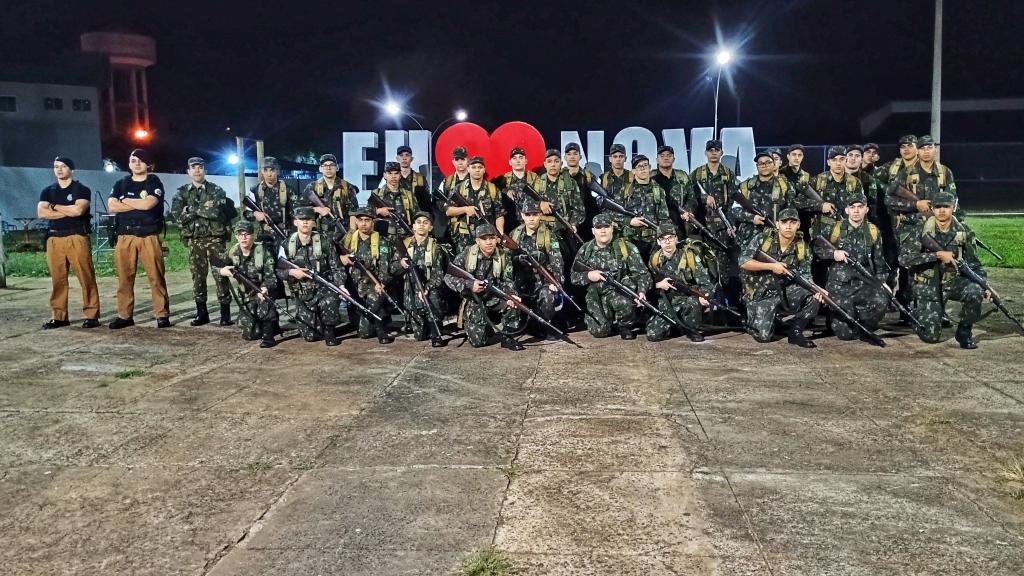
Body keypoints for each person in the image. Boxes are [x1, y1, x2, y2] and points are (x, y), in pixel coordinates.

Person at [899, 191, 989, 349]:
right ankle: (917, 312)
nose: (941, 210)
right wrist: (937, 255)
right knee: (930, 337)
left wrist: (984, 284)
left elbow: (973, 264)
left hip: (952, 282)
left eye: (946, 207)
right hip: (927, 284)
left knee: (975, 291)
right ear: (932, 209)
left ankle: (964, 331)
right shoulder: (920, 229)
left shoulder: (964, 232)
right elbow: (904, 259)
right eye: (938, 207)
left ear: (953, 208)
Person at [739, 208, 822, 348]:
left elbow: (806, 275)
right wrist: (771, 267)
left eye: (792, 222)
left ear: (798, 225)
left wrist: (816, 288)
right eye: (784, 222)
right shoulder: (762, 239)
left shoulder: (802, 247)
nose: (788, 226)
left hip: (784, 292)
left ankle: (795, 332)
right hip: (760, 295)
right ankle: (769, 320)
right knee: (763, 337)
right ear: (777, 225)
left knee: (814, 296)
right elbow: (743, 262)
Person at [107, 148, 170, 329]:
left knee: (156, 276)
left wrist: (125, 201)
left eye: (140, 160)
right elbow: (111, 206)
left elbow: (149, 203)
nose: (136, 163)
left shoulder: (154, 181)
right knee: (124, 277)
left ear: (148, 164)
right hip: (125, 236)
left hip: (148, 235)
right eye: (133, 160)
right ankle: (125, 315)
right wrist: (137, 204)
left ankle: (162, 314)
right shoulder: (121, 183)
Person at [812, 195, 888, 341]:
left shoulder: (873, 231)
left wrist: (882, 283)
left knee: (882, 299)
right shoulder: (836, 228)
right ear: (846, 210)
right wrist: (833, 253)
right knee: (845, 335)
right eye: (852, 207)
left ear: (866, 209)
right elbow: (816, 249)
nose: (856, 211)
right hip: (840, 287)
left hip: (864, 285)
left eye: (860, 207)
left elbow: (879, 261)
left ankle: (864, 323)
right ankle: (843, 320)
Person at [36, 156, 100, 329]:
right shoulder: (47, 191)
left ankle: (92, 314)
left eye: (63, 166)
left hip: (76, 236)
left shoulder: (81, 189)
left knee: (85, 276)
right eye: (56, 166)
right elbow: (42, 213)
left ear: (71, 169)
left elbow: (79, 210)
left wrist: (55, 207)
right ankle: (59, 316)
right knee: (58, 280)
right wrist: (68, 210)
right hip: (54, 238)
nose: (59, 169)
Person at [171, 156, 233, 327]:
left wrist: (190, 209)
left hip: (215, 239)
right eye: (193, 168)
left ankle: (225, 314)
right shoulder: (182, 192)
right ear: (188, 171)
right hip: (194, 240)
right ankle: (202, 313)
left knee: (221, 275)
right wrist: (203, 208)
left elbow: (216, 212)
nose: (197, 170)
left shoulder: (216, 190)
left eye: (200, 167)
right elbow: (176, 217)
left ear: (205, 170)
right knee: (198, 276)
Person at [570, 212, 651, 339]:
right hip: (596, 296)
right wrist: (589, 276)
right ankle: (605, 322)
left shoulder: (625, 247)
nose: (603, 231)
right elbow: (573, 277)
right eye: (599, 227)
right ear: (593, 231)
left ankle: (624, 326)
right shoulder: (586, 250)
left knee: (625, 302)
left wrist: (642, 291)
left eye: (606, 227)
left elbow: (643, 274)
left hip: (619, 292)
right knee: (600, 331)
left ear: (612, 228)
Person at [444, 223, 524, 350]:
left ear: (497, 239)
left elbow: (508, 279)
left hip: (495, 296)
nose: (488, 242)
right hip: (475, 299)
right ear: (477, 241)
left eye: (492, 238)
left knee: (513, 303)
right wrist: (470, 285)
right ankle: (484, 327)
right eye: (484, 239)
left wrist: (511, 295)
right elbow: (448, 277)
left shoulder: (503, 256)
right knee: (477, 342)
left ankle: (508, 337)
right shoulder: (467, 254)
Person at [279, 206, 347, 346]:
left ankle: (329, 329)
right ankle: (317, 323)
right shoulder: (286, 245)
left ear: (314, 222)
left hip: (323, 289)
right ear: (295, 222)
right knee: (310, 337)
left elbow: (337, 267)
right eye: (301, 219)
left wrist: (341, 286)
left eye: (308, 219)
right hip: (302, 292)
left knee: (331, 300)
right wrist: (292, 272)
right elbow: (277, 270)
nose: (305, 222)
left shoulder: (324, 241)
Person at [509, 199, 564, 340]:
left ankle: (548, 324)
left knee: (548, 297)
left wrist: (555, 282)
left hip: (542, 282)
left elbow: (557, 261)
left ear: (540, 215)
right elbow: (506, 263)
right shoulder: (515, 234)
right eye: (528, 215)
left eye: (534, 214)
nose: (531, 218)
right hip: (521, 283)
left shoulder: (548, 235)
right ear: (522, 215)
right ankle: (524, 323)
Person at [391, 211, 448, 347]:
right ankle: (420, 323)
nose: (421, 225)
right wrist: (401, 264)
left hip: (428, 289)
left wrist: (427, 289)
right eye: (418, 222)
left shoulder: (436, 248)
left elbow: (438, 275)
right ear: (413, 227)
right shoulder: (404, 245)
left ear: (431, 228)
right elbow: (392, 269)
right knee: (419, 336)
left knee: (433, 297)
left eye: (426, 223)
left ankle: (435, 331)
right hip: (410, 289)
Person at [219, 221, 279, 348]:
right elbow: (216, 265)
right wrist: (222, 271)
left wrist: (265, 287)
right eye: (240, 235)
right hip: (247, 295)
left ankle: (269, 334)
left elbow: (271, 277)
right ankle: (258, 323)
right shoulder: (233, 252)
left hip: (262, 292)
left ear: (253, 235)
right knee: (249, 335)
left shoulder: (263, 252)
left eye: (246, 234)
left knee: (266, 304)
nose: (243, 238)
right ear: (236, 236)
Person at [647, 224, 711, 342]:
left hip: (687, 300)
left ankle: (691, 329)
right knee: (652, 334)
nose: (667, 242)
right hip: (667, 302)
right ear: (658, 241)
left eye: (670, 238)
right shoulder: (655, 260)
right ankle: (677, 326)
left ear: (676, 238)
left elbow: (704, 280)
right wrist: (658, 285)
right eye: (663, 238)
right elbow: (647, 282)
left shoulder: (689, 256)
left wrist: (704, 295)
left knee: (693, 304)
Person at [340, 207, 395, 343]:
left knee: (366, 330)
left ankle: (381, 327)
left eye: (367, 220)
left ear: (373, 222)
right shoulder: (347, 240)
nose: (364, 223)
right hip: (352, 284)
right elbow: (335, 260)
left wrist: (381, 282)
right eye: (360, 220)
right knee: (363, 332)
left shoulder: (381, 242)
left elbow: (384, 266)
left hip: (371, 284)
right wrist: (342, 259)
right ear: (356, 222)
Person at [731, 151, 796, 248]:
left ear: (774, 165)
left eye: (768, 162)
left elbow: (792, 212)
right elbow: (734, 210)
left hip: (774, 239)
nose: (764, 165)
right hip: (747, 240)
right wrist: (751, 218)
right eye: (761, 163)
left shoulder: (785, 186)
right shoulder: (745, 186)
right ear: (757, 166)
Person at [446, 156, 504, 253]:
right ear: (468, 169)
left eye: (480, 167)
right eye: (473, 167)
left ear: (484, 170)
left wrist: (499, 232)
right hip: (464, 237)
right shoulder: (459, 188)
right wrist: (465, 209)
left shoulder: (492, 189)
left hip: (486, 238)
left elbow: (499, 214)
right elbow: (448, 210)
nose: (477, 170)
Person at [297, 153, 359, 238]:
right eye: (325, 165)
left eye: (331, 165)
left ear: (337, 168)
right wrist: (317, 209)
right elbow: (299, 209)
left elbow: (354, 213)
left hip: (343, 234)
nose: (328, 168)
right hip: (320, 235)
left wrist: (352, 235)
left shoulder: (347, 187)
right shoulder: (312, 187)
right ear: (320, 168)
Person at [622, 154, 671, 261]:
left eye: (645, 165)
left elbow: (664, 218)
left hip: (653, 242)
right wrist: (630, 221)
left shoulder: (658, 190)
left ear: (650, 168)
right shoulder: (625, 190)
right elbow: (612, 214)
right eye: (639, 166)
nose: (643, 168)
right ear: (633, 171)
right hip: (631, 241)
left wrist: (666, 237)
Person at [244, 156, 293, 247]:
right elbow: (247, 213)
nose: (269, 174)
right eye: (265, 170)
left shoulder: (288, 190)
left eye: (272, 170)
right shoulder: (255, 190)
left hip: (285, 234)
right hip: (265, 236)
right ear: (261, 171)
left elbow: (296, 213)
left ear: (277, 171)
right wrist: (255, 214)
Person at [372, 161, 418, 237]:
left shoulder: (409, 195)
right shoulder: (377, 194)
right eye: (390, 173)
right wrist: (379, 211)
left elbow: (417, 215)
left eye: (396, 173)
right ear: (385, 175)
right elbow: (366, 215)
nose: (393, 176)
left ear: (400, 175)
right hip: (382, 238)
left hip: (405, 237)